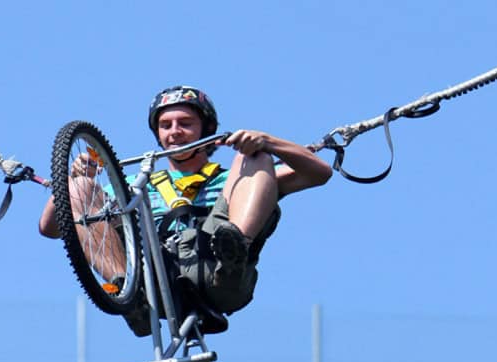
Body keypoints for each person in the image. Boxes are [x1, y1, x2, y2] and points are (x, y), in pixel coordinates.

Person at [40, 85, 332, 334]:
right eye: (165, 126)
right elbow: (51, 227)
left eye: (185, 123)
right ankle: (128, 290)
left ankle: (234, 249)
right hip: (151, 276)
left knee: (254, 157)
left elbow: (319, 173)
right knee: (77, 189)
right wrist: (78, 178)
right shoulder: (132, 184)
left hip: (215, 270)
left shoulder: (239, 180)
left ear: (207, 130)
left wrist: (268, 143)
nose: (175, 132)